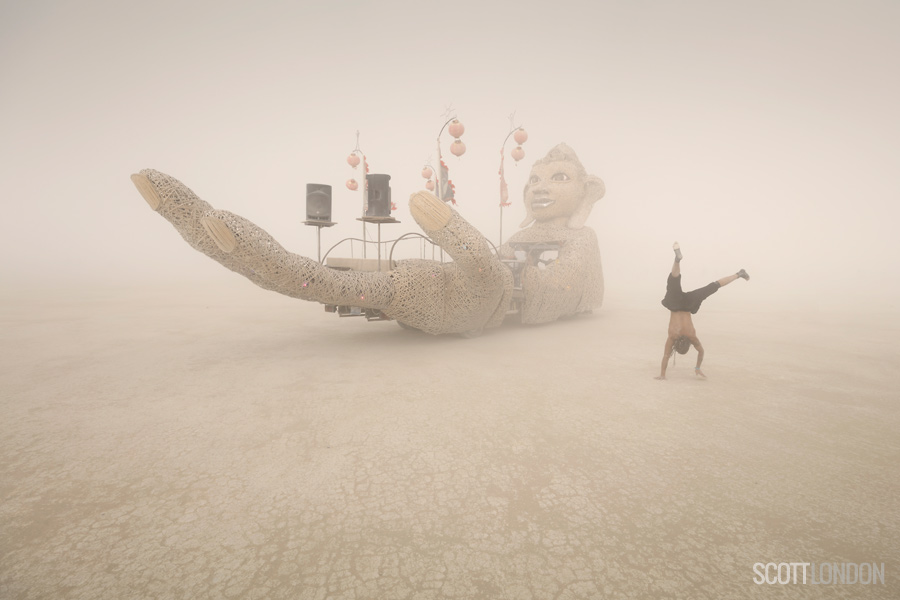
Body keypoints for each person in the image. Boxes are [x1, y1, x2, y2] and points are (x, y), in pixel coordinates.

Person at [130, 144, 605, 336]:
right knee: (324, 277)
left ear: (586, 191)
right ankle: (197, 221)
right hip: (445, 285)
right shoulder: (522, 235)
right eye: (534, 179)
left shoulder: (581, 240)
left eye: (558, 178)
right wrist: (477, 262)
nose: (539, 188)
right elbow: (497, 272)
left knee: (322, 280)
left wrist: (475, 257)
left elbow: (554, 295)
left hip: (475, 299)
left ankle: (234, 242)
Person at [655, 243, 748, 379]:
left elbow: (700, 352)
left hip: (688, 304)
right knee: (674, 280)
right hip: (676, 304)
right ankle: (677, 260)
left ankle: (739, 274)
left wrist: (697, 367)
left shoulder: (691, 336)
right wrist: (662, 374)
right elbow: (666, 356)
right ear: (676, 345)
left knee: (714, 286)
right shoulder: (673, 337)